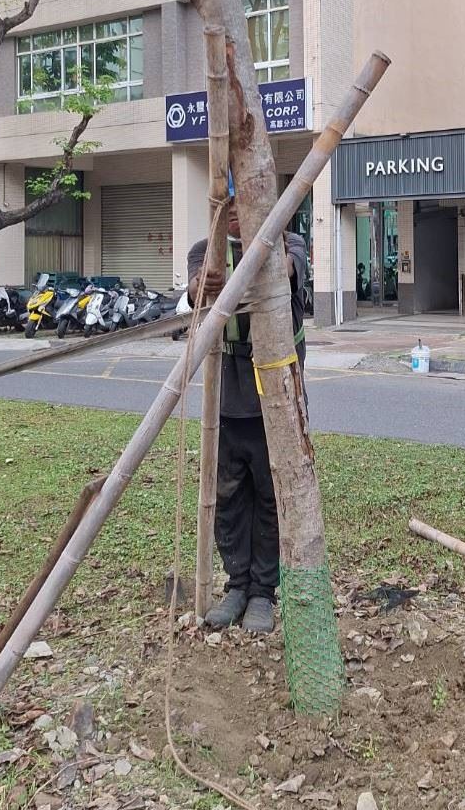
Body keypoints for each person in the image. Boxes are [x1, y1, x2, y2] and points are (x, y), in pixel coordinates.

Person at [187, 198, 308, 634]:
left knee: (270, 499)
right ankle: (236, 585)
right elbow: (194, 289)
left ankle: (262, 592)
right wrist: (205, 281)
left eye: (245, 202)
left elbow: (289, 272)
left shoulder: (289, 244)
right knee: (228, 499)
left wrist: (253, 262)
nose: (236, 211)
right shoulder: (205, 251)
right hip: (225, 402)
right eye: (228, 204)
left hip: (273, 399)